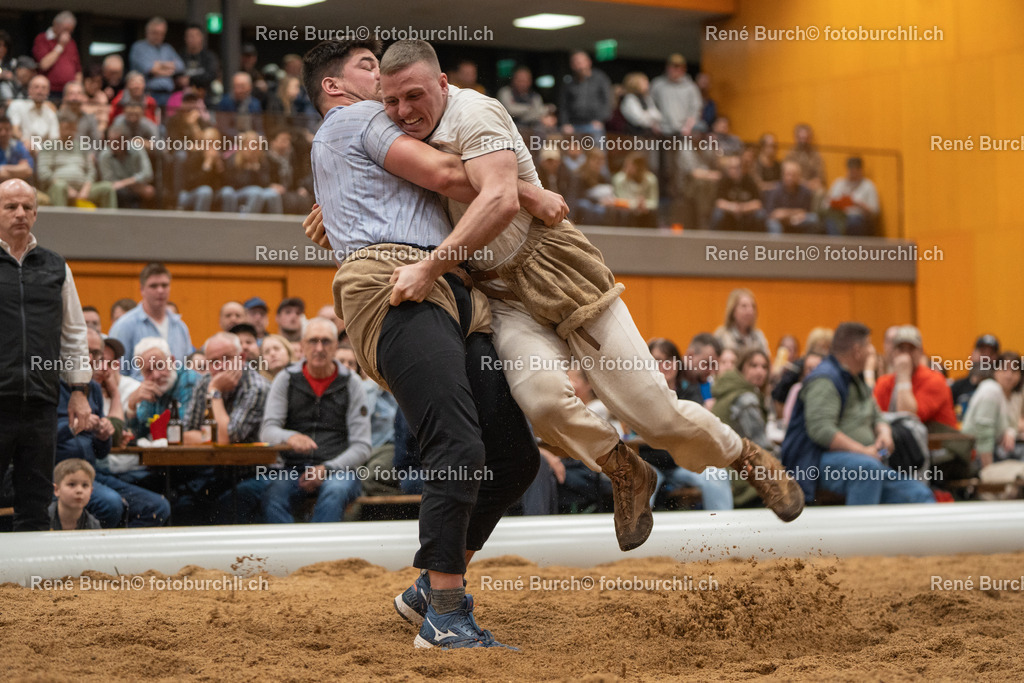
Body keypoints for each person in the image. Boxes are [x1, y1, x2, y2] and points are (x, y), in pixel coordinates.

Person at [370, 40, 802, 531]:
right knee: (543, 401)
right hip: (502, 297)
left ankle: (744, 455)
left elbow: (499, 202)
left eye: (414, 96)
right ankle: (625, 470)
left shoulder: (476, 112)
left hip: (558, 269)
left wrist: (431, 267)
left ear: (443, 84)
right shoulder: (392, 129)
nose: (403, 111)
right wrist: (336, 208)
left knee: (655, 416)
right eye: (392, 101)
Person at [302, 39, 546, 649]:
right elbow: (441, 174)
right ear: (335, 88)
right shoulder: (356, 118)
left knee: (514, 455)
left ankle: (427, 591)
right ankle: (444, 610)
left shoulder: (368, 134)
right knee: (459, 441)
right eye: (369, 67)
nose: (383, 75)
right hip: (393, 281)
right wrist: (521, 188)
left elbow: (420, 179)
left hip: (452, 282)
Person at [0, 178, 92, 530]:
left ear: (36, 213)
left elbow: (74, 333)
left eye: (26, 207)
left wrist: (79, 392)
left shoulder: (56, 267)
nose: (20, 213)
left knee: (35, 503)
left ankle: (30, 585)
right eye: (10, 206)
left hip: (40, 403)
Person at [781, 322, 936, 505]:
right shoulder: (825, 379)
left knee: (920, 495)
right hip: (813, 462)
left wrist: (884, 432)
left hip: (863, 461)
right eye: (868, 345)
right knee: (867, 470)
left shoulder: (854, 378)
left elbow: (876, 414)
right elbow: (821, 430)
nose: (872, 350)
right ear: (857, 350)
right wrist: (864, 451)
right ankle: (861, 533)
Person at [259, 318, 371, 523]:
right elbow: (268, 430)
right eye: (313, 341)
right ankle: (288, 553)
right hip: (293, 469)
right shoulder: (286, 378)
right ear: (302, 345)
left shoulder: (351, 382)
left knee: (335, 491)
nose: (319, 348)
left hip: (339, 470)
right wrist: (290, 437)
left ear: (336, 346)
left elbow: (362, 446)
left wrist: (327, 468)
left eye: (326, 341)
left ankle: (322, 554)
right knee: (273, 495)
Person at [55, 353, 171, 528]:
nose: (93, 358)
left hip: (91, 473)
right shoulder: (50, 387)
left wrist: (103, 436)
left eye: (97, 353)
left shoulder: (93, 388)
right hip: (55, 473)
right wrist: (72, 427)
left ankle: (122, 553)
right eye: (88, 351)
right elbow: (35, 436)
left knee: (157, 507)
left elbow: (101, 452)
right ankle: (92, 552)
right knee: (110, 504)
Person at [108, 263, 194, 379]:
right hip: (139, 394)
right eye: (153, 286)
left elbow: (186, 370)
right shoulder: (124, 325)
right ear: (142, 289)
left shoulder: (180, 327)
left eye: (164, 285)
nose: (160, 290)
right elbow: (116, 374)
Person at [872, 325, 957, 428]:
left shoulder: (935, 380)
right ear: (893, 352)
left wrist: (903, 376)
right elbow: (874, 416)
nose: (906, 355)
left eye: (911, 349)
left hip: (939, 441)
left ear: (920, 352)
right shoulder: (884, 382)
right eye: (901, 349)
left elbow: (909, 418)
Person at [961, 351, 1024, 488]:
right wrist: (988, 475)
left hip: (1001, 452)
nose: (1009, 375)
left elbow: (1013, 426)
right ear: (995, 371)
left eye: (1014, 370)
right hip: (977, 456)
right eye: (1004, 369)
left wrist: (1011, 431)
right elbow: (984, 434)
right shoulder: (991, 390)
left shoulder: (1014, 396)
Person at [129, 16, 184, 107]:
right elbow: (149, 69)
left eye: (161, 33)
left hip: (168, 94)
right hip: (148, 94)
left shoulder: (167, 48)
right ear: (147, 32)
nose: (158, 36)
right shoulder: (139, 47)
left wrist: (159, 65)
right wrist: (169, 69)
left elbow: (181, 66)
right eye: (155, 33)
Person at [558, 51, 612, 141]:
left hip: (594, 125)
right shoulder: (569, 83)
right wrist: (565, 123)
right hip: (573, 125)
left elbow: (608, 100)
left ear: (588, 62)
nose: (579, 66)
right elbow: (563, 105)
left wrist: (601, 119)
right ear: (572, 65)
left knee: (597, 153)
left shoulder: (600, 79)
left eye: (580, 62)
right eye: (575, 63)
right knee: (572, 153)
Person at [98, 125, 155, 209]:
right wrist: (136, 187)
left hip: (135, 187)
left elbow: (148, 174)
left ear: (125, 141)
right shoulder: (104, 155)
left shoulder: (137, 149)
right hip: (123, 191)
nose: (112, 145)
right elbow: (110, 182)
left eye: (116, 142)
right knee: (120, 193)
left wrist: (124, 183)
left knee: (150, 192)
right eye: (110, 141)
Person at [823, 157, 879, 236]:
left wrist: (859, 205)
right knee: (831, 221)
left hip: (857, 217)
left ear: (860, 170)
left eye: (855, 170)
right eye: (850, 170)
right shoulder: (839, 183)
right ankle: (836, 246)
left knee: (853, 222)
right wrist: (837, 204)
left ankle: (850, 247)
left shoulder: (868, 186)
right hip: (839, 215)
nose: (852, 173)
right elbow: (826, 204)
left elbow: (875, 212)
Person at [32, 11, 82, 98]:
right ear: (56, 25)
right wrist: (60, 46)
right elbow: (44, 64)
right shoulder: (42, 39)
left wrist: (79, 88)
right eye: (65, 29)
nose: (68, 34)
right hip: (50, 91)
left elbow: (77, 70)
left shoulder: (71, 43)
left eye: (70, 31)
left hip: (69, 93)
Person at [765, 160, 821, 234]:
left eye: (793, 175)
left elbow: (805, 212)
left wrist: (785, 213)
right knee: (773, 224)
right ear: (783, 175)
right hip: (780, 221)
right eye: (788, 174)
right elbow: (772, 214)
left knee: (813, 218)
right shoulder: (775, 190)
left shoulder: (805, 192)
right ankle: (776, 245)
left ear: (799, 176)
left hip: (798, 221)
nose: (790, 178)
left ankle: (807, 245)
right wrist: (793, 213)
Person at [710, 155, 764, 231]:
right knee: (717, 214)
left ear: (741, 168)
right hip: (729, 212)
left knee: (760, 215)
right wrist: (732, 208)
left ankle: (758, 241)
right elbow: (718, 202)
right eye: (731, 168)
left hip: (747, 213)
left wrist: (742, 208)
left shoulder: (749, 181)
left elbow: (758, 203)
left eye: (736, 167)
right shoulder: (723, 181)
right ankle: (713, 240)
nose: (733, 170)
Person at [951, 334, 1000, 417]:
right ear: (972, 354)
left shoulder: (1000, 389)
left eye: (991, 354)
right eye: (982, 352)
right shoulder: (957, 387)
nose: (986, 358)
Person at [714, 288, 770, 355]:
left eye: (753, 307)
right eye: (744, 306)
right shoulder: (721, 335)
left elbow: (766, 362)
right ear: (733, 311)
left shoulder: (758, 336)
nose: (750, 311)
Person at [50, 458, 101, 530]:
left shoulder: (93, 526)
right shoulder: (43, 518)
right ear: (57, 490)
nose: (79, 490)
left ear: (91, 492)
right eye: (72, 484)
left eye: (85, 485)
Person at [7, 75, 59, 146]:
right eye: (36, 87)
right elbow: (14, 131)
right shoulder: (17, 105)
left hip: (43, 152)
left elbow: (54, 138)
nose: (40, 91)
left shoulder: (50, 112)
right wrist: (29, 145)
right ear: (29, 90)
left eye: (44, 88)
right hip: (21, 149)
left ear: (48, 92)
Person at [0, 115, 34, 183]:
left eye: (7, 130)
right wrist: (17, 170)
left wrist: (3, 168)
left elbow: (28, 170)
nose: (3, 133)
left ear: (11, 131)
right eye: (0, 130)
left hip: (18, 186)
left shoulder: (18, 146)